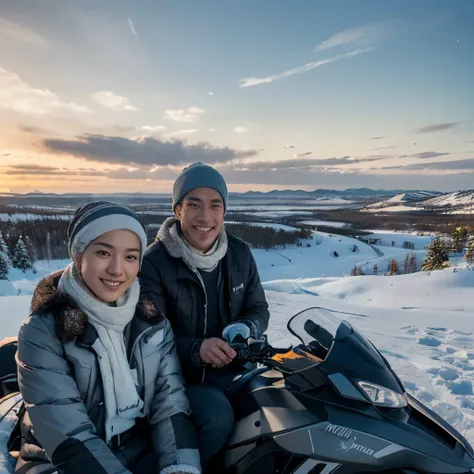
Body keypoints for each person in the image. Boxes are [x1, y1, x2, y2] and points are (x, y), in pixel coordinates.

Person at [15, 201, 201, 474]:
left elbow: (169, 403)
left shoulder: (151, 321)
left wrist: (180, 468)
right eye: (103, 252)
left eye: (130, 257)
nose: (117, 270)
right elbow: (69, 434)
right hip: (59, 459)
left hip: (134, 446)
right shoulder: (44, 330)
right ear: (79, 257)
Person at [139, 163, 270, 468]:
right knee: (217, 416)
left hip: (236, 369)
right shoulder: (154, 263)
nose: (205, 217)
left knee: (278, 407)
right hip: (178, 379)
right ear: (177, 210)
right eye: (193, 205)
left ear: (224, 211)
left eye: (215, 205)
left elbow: (259, 308)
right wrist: (198, 349)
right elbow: (149, 337)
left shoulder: (239, 253)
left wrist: (247, 327)